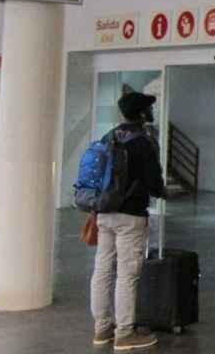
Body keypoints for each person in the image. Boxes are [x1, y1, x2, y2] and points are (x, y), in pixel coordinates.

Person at [90, 91, 166, 351]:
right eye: (149, 109)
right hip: (130, 217)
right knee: (126, 275)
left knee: (102, 270)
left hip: (104, 213)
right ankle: (124, 333)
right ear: (143, 114)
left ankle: (102, 328)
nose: (152, 113)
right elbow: (155, 184)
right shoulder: (143, 143)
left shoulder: (108, 137)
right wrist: (160, 191)